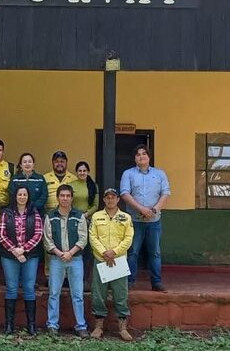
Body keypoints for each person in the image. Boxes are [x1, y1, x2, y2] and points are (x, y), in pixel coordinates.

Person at [120, 144, 171, 292]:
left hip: (154, 221)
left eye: (144, 154)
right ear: (134, 158)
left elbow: (165, 193)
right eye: (138, 154)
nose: (141, 156)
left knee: (154, 252)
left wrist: (154, 210)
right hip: (134, 221)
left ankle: (156, 282)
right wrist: (141, 209)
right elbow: (124, 194)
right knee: (132, 252)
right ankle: (129, 282)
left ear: (149, 157)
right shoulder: (128, 174)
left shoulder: (160, 174)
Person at [43, 184, 89, 337]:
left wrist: (70, 253)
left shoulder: (79, 215)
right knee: (54, 293)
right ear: (57, 197)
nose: (65, 198)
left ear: (72, 198)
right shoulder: (50, 216)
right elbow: (47, 240)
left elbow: (83, 239)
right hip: (56, 260)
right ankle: (52, 325)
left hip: (75, 259)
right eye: (62, 196)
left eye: (68, 196)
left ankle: (81, 326)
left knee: (77, 294)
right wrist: (59, 253)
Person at [89, 188, 134, 341]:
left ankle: (122, 328)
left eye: (113, 197)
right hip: (101, 260)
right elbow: (93, 238)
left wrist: (114, 252)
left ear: (118, 200)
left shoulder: (125, 217)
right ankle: (98, 327)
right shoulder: (96, 216)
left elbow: (128, 239)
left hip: (118, 261)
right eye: (107, 197)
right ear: (103, 200)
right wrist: (104, 253)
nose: (110, 200)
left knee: (121, 295)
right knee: (98, 295)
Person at [0, 186, 43, 335]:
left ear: (28, 197)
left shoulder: (34, 213)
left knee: (29, 288)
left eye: (25, 194)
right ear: (15, 196)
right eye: (19, 194)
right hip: (10, 256)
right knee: (11, 288)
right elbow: (1, 234)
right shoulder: (6, 213)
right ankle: (9, 326)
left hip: (29, 256)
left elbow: (38, 234)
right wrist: (15, 251)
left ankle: (31, 326)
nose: (22, 197)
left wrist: (24, 249)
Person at [70, 161, 100, 290]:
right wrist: (77, 216)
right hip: (73, 220)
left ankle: (86, 280)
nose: (82, 173)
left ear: (88, 172)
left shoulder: (93, 186)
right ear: (76, 172)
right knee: (74, 249)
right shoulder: (71, 185)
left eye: (84, 170)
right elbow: (67, 201)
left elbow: (95, 205)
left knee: (87, 252)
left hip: (87, 220)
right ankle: (73, 280)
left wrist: (86, 215)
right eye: (80, 171)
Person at [8, 152, 48, 217]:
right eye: (24, 162)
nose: (27, 164)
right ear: (20, 165)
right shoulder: (14, 179)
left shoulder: (40, 179)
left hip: (38, 213)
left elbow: (44, 196)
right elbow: (12, 195)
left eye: (29, 161)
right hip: (19, 214)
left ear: (33, 164)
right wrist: (23, 208)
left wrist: (32, 207)